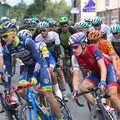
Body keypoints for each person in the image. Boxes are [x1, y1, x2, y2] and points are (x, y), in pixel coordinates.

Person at [0, 24, 63, 120]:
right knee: (21, 91)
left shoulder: (27, 42)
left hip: (40, 65)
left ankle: (60, 118)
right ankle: (38, 108)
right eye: (1, 37)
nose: (3, 39)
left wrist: (34, 76)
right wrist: (8, 87)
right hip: (28, 68)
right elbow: (8, 69)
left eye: (5, 36)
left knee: (48, 94)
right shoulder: (7, 49)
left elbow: (39, 60)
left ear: (13, 33)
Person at [68, 32, 120, 110]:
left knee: (112, 95)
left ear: (83, 44)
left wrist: (102, 82)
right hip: (96, 73)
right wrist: (75, 90)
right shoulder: (74, 57)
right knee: (82, 88)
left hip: (108, 69)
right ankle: (98, 106)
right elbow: (76, 74)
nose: (73, 50)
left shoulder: (94, 50)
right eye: (71, 48)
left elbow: (103, 67)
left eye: (75, 47)